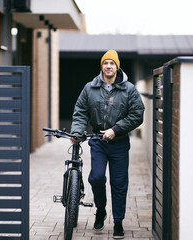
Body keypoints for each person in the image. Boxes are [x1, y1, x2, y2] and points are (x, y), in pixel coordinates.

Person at [70, 49, 145, 239]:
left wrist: (116, 129)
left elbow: (137, 114)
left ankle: (118, 222)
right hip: (97, 142)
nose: (108, 66)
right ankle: (101, 210)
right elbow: (80, 111)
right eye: (105, 63)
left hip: (119, 143)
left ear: (117, 66)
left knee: (118, 184)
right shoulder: (90, 88)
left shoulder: (129, 89)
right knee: (96, 178)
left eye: (112, 63)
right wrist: (78, 131)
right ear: (101, 66)